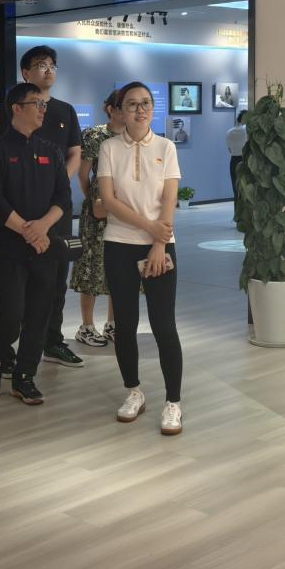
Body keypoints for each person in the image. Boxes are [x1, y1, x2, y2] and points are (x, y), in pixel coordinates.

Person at [97, 82, 184, 436]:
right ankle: (134, 391)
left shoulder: (166, 146)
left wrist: (159, 244)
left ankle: (173, 402)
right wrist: (150, 228)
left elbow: (169, 198)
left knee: (164, 326)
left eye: (146, 103)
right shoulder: (108, 148)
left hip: (160, 246)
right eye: (132, 104)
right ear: (119, 111)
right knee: (125, 325)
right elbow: (108, 201)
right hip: (119, 244)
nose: (140, 109)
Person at [0, 83, 70, 405]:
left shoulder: (51, 150)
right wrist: (27, 231)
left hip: (45, 246)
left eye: (44, 104)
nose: (43, 110)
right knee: (10, 312)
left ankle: (25, 376)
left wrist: (42, 228)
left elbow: (63, 197)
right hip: (10, 249)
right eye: (36, 104)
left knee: (39, 315)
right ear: (16, 108)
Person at [0, 45, 82, 368]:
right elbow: (2, 152)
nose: (49, 70)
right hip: (20, 211)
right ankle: (4, 352)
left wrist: (55, 185)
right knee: (15, 288)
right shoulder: (13, 109)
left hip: (56, 210)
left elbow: (75, 154)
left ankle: (52, 341)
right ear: (25, 73)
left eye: (53, 65)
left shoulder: (65, 111)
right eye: (41, 64)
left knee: (56, 279)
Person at [70, 90, 126, 348]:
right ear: (111, 109)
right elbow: (83, 174)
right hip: (98, 209)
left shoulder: (132, 136)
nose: (129, 111)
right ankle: (86, 326)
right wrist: (93, 199)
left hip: (124, 208)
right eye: (124, 106)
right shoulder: (95, 135)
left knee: (118, 267)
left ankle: (112, 324)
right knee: (91, 266)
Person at [227, 110, 248, 222]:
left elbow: (229, 149)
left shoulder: (229, 132)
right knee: (246, 190)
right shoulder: (247, 131)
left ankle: (237, 217)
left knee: (236, 190)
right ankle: (245, 217)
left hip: (234, 161)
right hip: (245, 160)